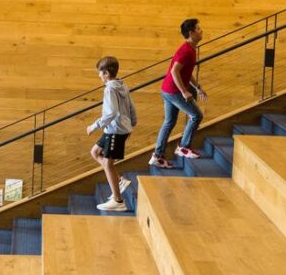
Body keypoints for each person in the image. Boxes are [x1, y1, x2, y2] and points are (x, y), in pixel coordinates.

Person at [151, 19, 208, 169]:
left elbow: (186, 73)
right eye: (198, 29)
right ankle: (183, 147)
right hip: (174, 91)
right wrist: (184, 91)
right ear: (191, 33)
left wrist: (197, 88)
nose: (201, 31)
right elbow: (174, 71)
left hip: (167, 90)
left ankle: (157, 156)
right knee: (196, 116)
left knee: (169, 122)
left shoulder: (191, 49)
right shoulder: (186, 51)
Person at [86, 56, 138, 212]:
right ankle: (119, 180)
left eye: (100, 72)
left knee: (108, 164)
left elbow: (111, 113)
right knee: (95, 152)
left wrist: (94, 126)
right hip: (115, 129)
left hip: (116, 130)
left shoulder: (110, 89)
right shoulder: (122, 84)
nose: (99, 75)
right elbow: (131, 105)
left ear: (106, 73)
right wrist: (132, 122)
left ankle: (118, 200)